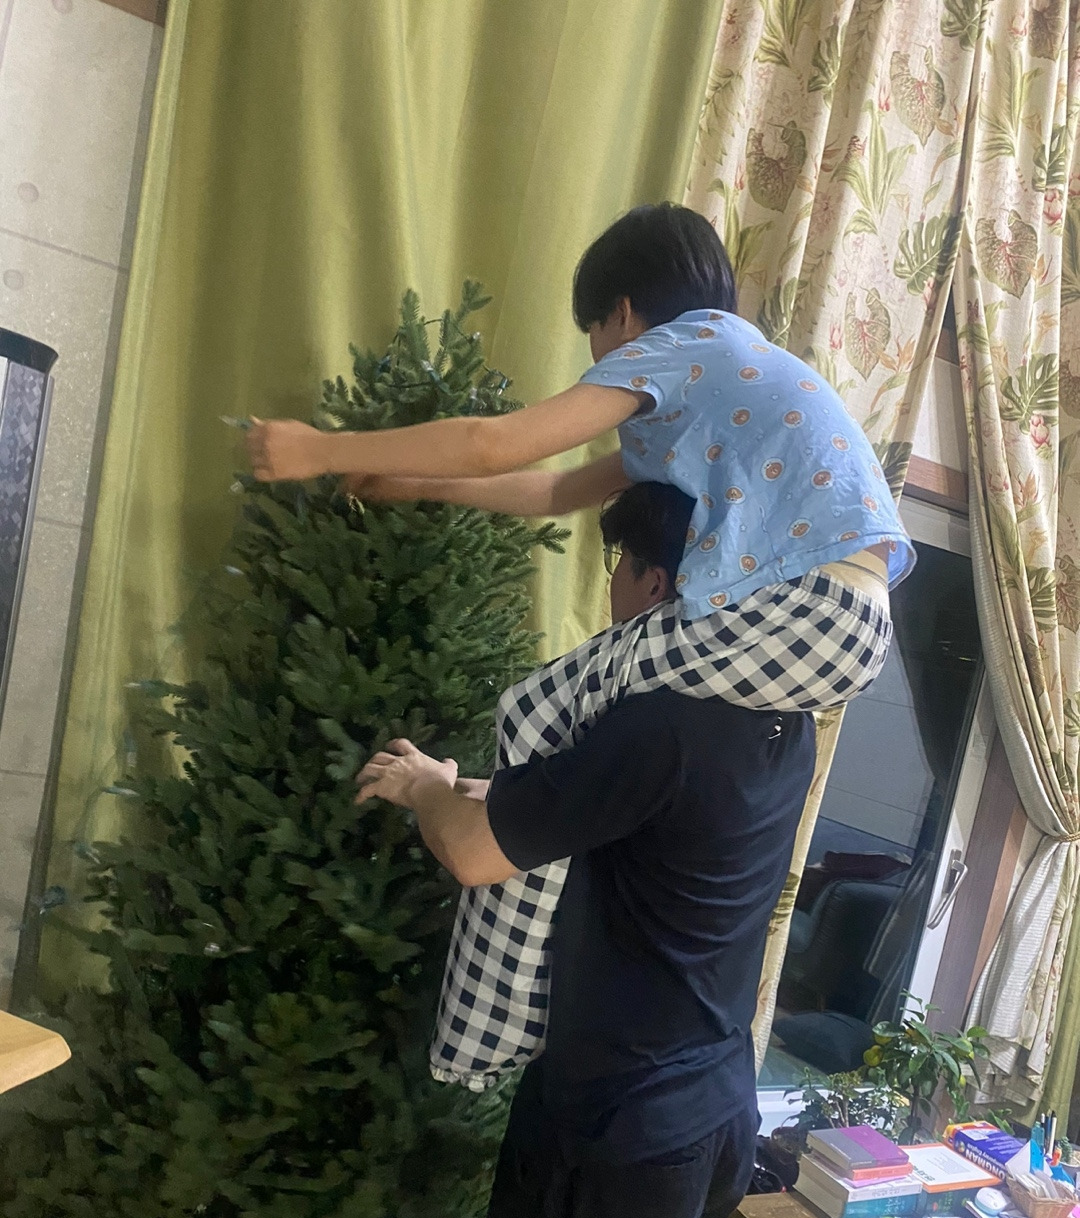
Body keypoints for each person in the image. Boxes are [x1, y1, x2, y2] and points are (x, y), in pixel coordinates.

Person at [245, 203, 912, 1091]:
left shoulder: (686, 347)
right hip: (841, 624)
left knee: (537, 709)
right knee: (582, 720)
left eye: (596, 337)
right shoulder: (722, 389)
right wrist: (414, 484)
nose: (601, 361)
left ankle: (488, 1033)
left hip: (804, 609)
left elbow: (496, 441)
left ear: (623, 314)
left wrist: (320, 450)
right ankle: (508, 981)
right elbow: (559, 490)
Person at [354, 482, 817, 1218]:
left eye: (618, 566)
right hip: (716, 1117)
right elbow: (610, 817)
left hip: (610, 1124)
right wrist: (476, 789)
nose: (612, 589)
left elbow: (474, 853)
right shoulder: (784, 719)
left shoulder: (657, 723)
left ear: (657, 584)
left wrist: (425, 787)